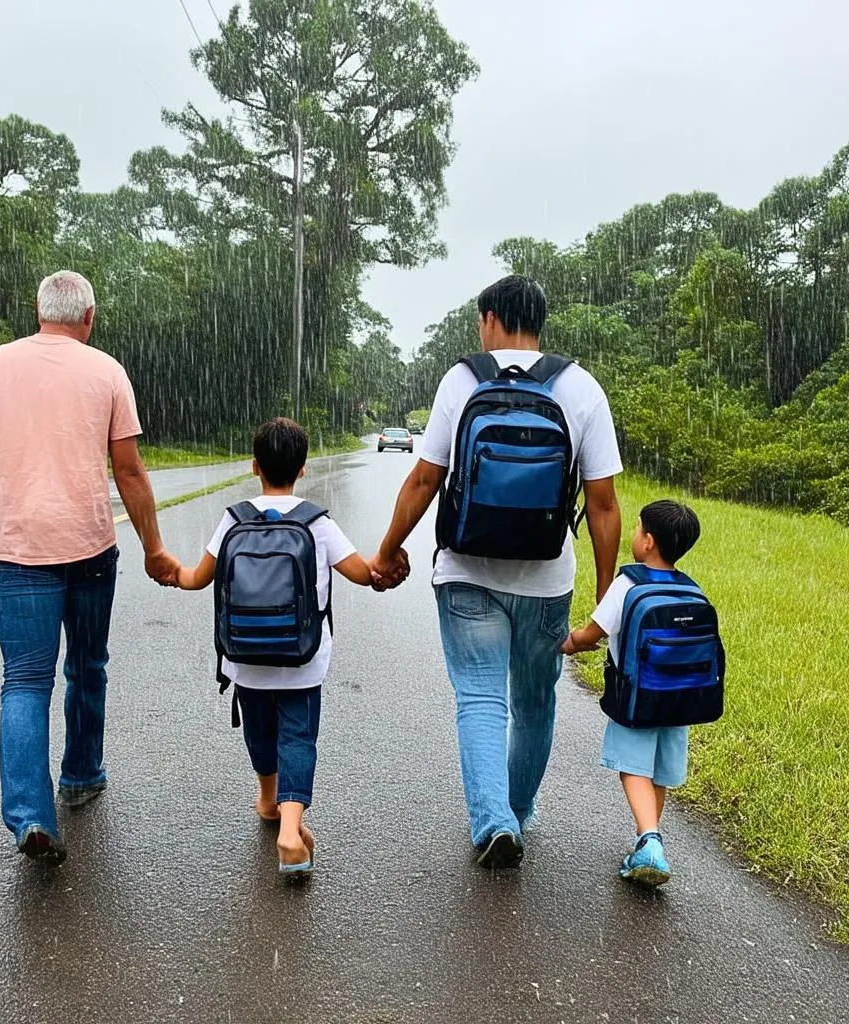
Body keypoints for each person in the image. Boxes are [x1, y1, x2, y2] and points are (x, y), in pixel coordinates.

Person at [371, 275, 623, 869]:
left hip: (467, 570)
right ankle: (516, 809)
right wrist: (604, 599)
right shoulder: (581, 387)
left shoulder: (463, 381)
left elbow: (425, 478)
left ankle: (493, 821)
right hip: (546, 578)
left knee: (481, 697)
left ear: (488, 319)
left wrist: (388, 550)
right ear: (540, 322)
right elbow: (605, 504)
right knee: (535, 702)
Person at [0, 270, 180, 865]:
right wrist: (154, 547)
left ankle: (30, 815)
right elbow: (129, 471)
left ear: (38, 312)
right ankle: (80, 774)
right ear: (89, 318)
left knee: (25, 680)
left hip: (16, 549)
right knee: (88, 665)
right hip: (88, 549)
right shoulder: (106, 371)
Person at [176, 418, 381, 874]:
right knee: (297, 736)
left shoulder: (234, 519)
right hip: (303, 658)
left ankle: (267, 800)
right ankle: (290, 830)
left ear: (254, 466)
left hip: (245, 656)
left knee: (260, 731)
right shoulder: (316, 522)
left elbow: (196, 578)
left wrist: (167, 569)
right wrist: (388, 566)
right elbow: (363, 573)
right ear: (303, 469)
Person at [561, 500, 702, 886]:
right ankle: (648, 840)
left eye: (638, 529)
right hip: (681, 700)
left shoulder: (628, 584)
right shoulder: (691, 588)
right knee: (658, 772)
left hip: (637, 696)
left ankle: (650, 841)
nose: (634, 535)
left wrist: (571, 643)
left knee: (633, 768)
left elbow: (595, 632)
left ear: (648, 542)